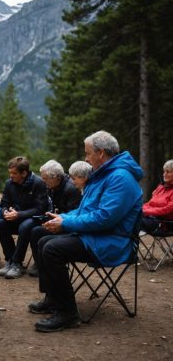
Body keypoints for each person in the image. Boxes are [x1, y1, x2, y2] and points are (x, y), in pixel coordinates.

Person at [29, 130, 143, 332]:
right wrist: (63, 218)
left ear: (100, 153)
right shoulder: (103, 175)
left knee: (52, 248)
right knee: (40, 236)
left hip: (114, 241)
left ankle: (67, 313)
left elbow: (105, 218)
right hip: (96, 235)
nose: (86, 158)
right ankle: (53, 298)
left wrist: (66, 224)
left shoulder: (120, 178)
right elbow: (86, 211)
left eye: (88, 153)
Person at [0, 156, 48, 279]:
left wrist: (19, 214)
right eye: (10, 173)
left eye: (14, 173)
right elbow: (3, 204)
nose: (11, 176)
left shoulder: (38, 183)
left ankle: (17, 263)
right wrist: (5, 213)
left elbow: (40, 208)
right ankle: (10, 260)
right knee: (0, 224)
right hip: (15, 217)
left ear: (24, 173)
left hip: (34, 218)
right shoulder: (9, 183)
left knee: (25, 226)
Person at [27, 160, 82, 277]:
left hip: (68, 226)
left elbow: (76, 214)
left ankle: (44, 265)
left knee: (37, 232)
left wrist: (58, 221)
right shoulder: (53, 186)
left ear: (56, 177)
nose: (43, 181)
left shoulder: (71, 188)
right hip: (59, 220)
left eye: (45, 178)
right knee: (34, 229)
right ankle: (40, 263)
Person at [141, 159, 173, 233]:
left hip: (166, 224)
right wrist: (139, 209)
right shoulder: (160, 187)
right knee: (129, 215)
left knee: (132, 220)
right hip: (151, 219)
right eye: (164, 171)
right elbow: (150, 204)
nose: (164, 174)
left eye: (168, 172)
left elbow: (168, 210)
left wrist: (146, 212)